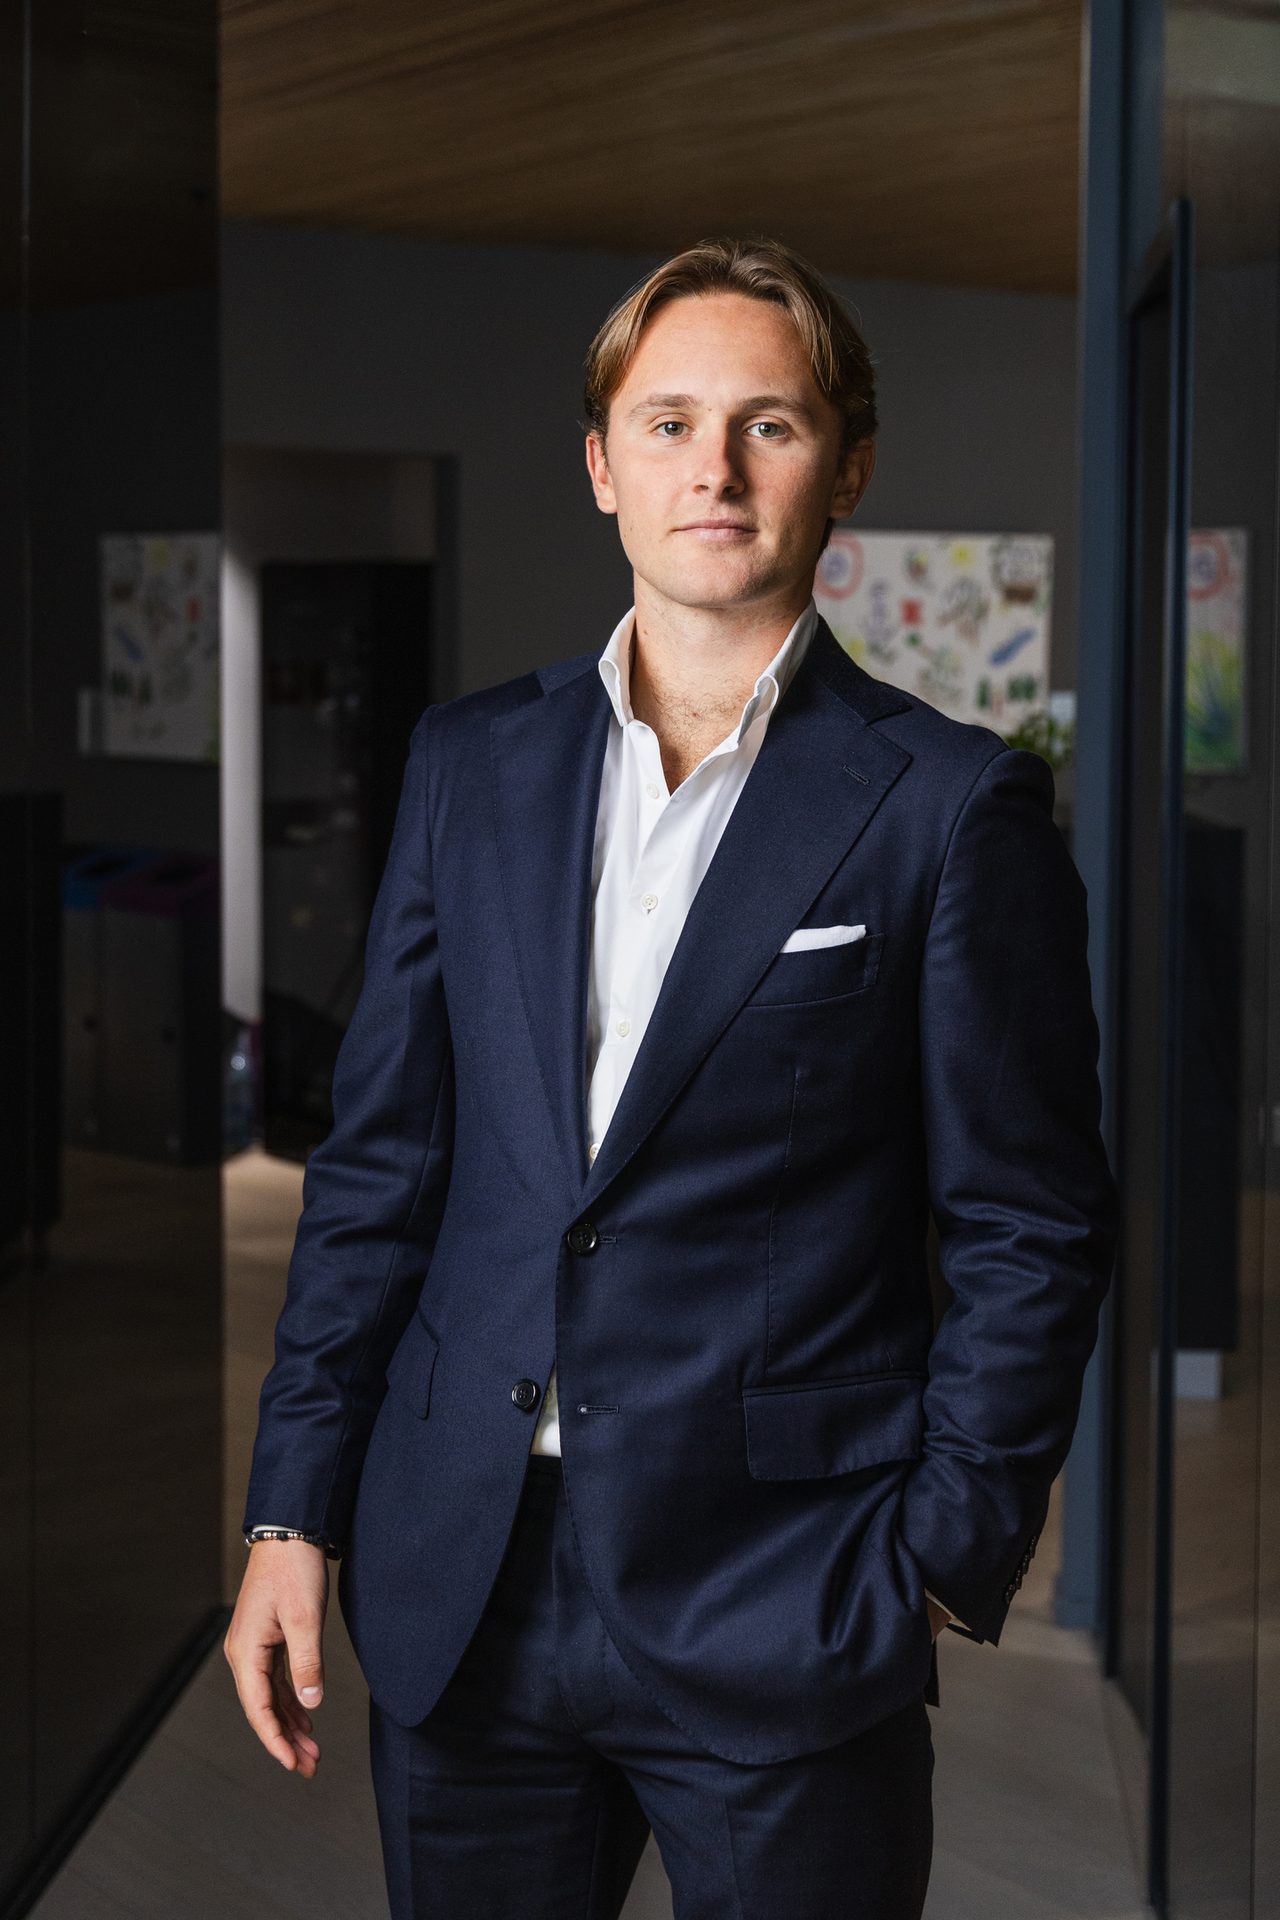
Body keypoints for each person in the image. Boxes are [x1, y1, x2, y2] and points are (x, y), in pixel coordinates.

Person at [225, 236, 1120, 1920]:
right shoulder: (467, 764)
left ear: (848, 464)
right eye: (668, 421)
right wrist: (292, 1512)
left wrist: (939, 1554)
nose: (711, 467)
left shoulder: (946, 805)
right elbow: (380, 1170)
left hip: (790, 1598)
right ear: (600, 464)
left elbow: (1031, 1221)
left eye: (768, 425)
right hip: (463, 1585)